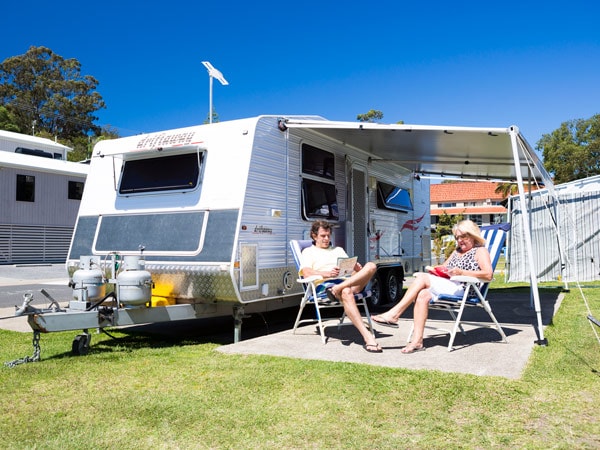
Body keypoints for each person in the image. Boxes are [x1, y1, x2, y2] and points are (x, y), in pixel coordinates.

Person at [371, 219, 493, 353]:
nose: (459, 241)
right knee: (423, 295)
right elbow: (445, 267)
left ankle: (394, 314)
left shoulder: (480, 251)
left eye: (463, 236)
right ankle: (417, 341)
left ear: (473, 235)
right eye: (457, 237)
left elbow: (488, 275)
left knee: (422, 278)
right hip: (451, 285)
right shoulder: (457, 251)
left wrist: (462, 272)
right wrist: (437, 270)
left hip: (465, 289)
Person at [300, 220, 382, 353]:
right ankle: (368, 337)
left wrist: (356, 269)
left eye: (328, 235)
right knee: (347, 291)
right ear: (314, 236)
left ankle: (340, 288)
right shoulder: (308, 252)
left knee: (371, 266)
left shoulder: (338, 250)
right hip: (326, 287)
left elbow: (350, 272)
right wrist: (327, 273)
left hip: (344, 283)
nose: (327, 239)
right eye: (323, 236)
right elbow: (306, 273)